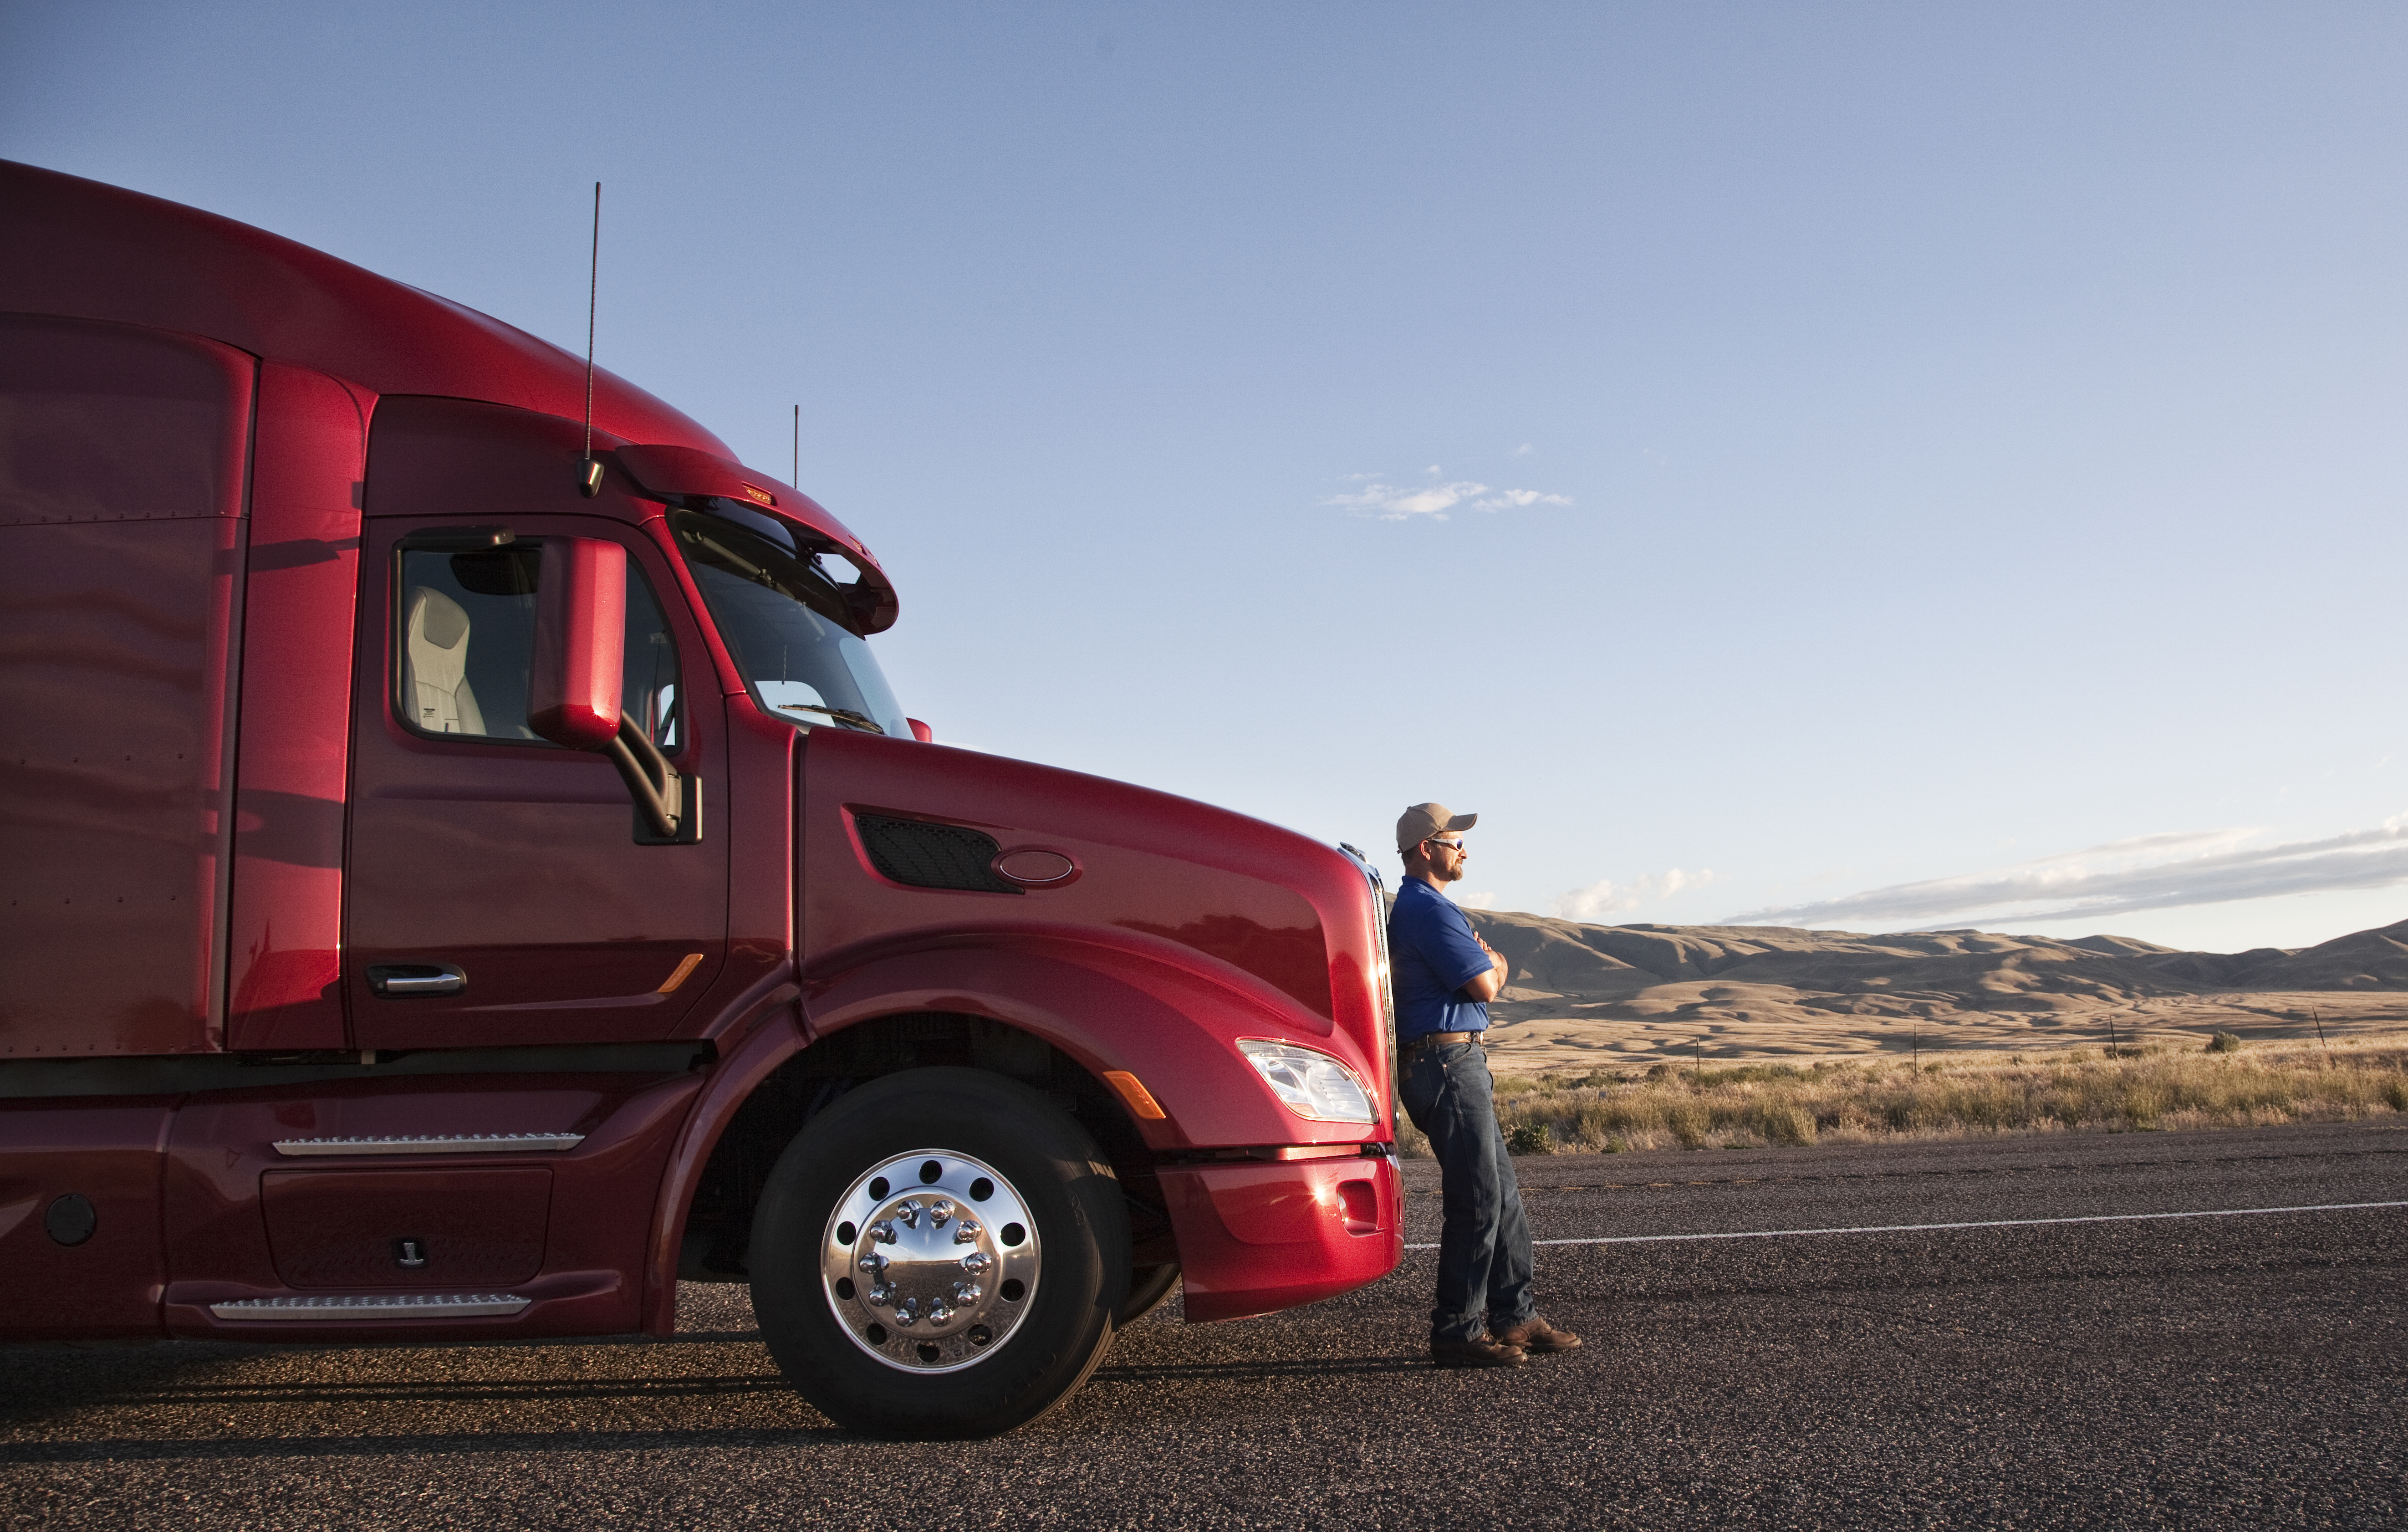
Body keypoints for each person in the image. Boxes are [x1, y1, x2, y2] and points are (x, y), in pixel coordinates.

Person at [1388, 802, 1582, 1369]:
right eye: (1454, 841)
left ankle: (1514, 1316)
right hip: (1445, 1064)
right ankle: (1456, 1328)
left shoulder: (1424, 909)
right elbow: (1483, 985)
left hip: (1452, 1063)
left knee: (1501, 1192)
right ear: (1427, 848)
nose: (1464, 850)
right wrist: (1495, 963)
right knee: (1477, 1197)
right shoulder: (1429, 912)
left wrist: (1487, 964)